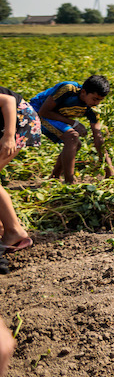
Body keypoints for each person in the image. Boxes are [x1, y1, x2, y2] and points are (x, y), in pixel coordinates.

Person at [30, 75, 114, 184]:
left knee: (76, 144)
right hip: (35, 112)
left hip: (53, 116)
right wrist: (73, 123)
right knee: (72, 137)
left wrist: (109, 169)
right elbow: (44, 111)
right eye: (95, 99)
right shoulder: (68, 89)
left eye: (100, 100)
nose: (96, 103)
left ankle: (55, 176)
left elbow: (98, 137)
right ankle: (69, 181)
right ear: (84, 92)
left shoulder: (93, 110)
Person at [0, 86, 40, 257]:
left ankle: (14, 231)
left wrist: (9, 137)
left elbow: (7, 101)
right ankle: (3, 227)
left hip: (20, 121)